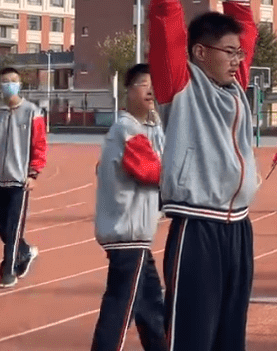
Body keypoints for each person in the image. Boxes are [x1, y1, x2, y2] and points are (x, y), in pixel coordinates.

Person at [145, 0, 259, 351]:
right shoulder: (181, 86)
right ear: (199, 53)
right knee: (193, 336)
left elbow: (243, 23)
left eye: (238, 53)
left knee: (231, 336)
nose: (237, 58)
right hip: (198, 229)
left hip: (239, 229)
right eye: (228, 52)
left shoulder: (236, 87)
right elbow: (167, 24)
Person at [91, 64, 168, 351]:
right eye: (143, 84)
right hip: (128, 233)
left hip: (135, 235)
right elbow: (152, 172)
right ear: (128, 90)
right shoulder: (128, 130)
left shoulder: (145, 128)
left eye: (153, 84)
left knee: (150, 308)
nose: (150, 90)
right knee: (120, 310)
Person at [0, 67, 47, 288]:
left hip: (19, 181)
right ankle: (25, 251)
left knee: (12, 227)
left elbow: (39, 145)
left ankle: (8, 271)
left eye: (13, 81)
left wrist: (33, 173)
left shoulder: (32, 112)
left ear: (19, 85)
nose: (9, 85)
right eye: (5, 81)